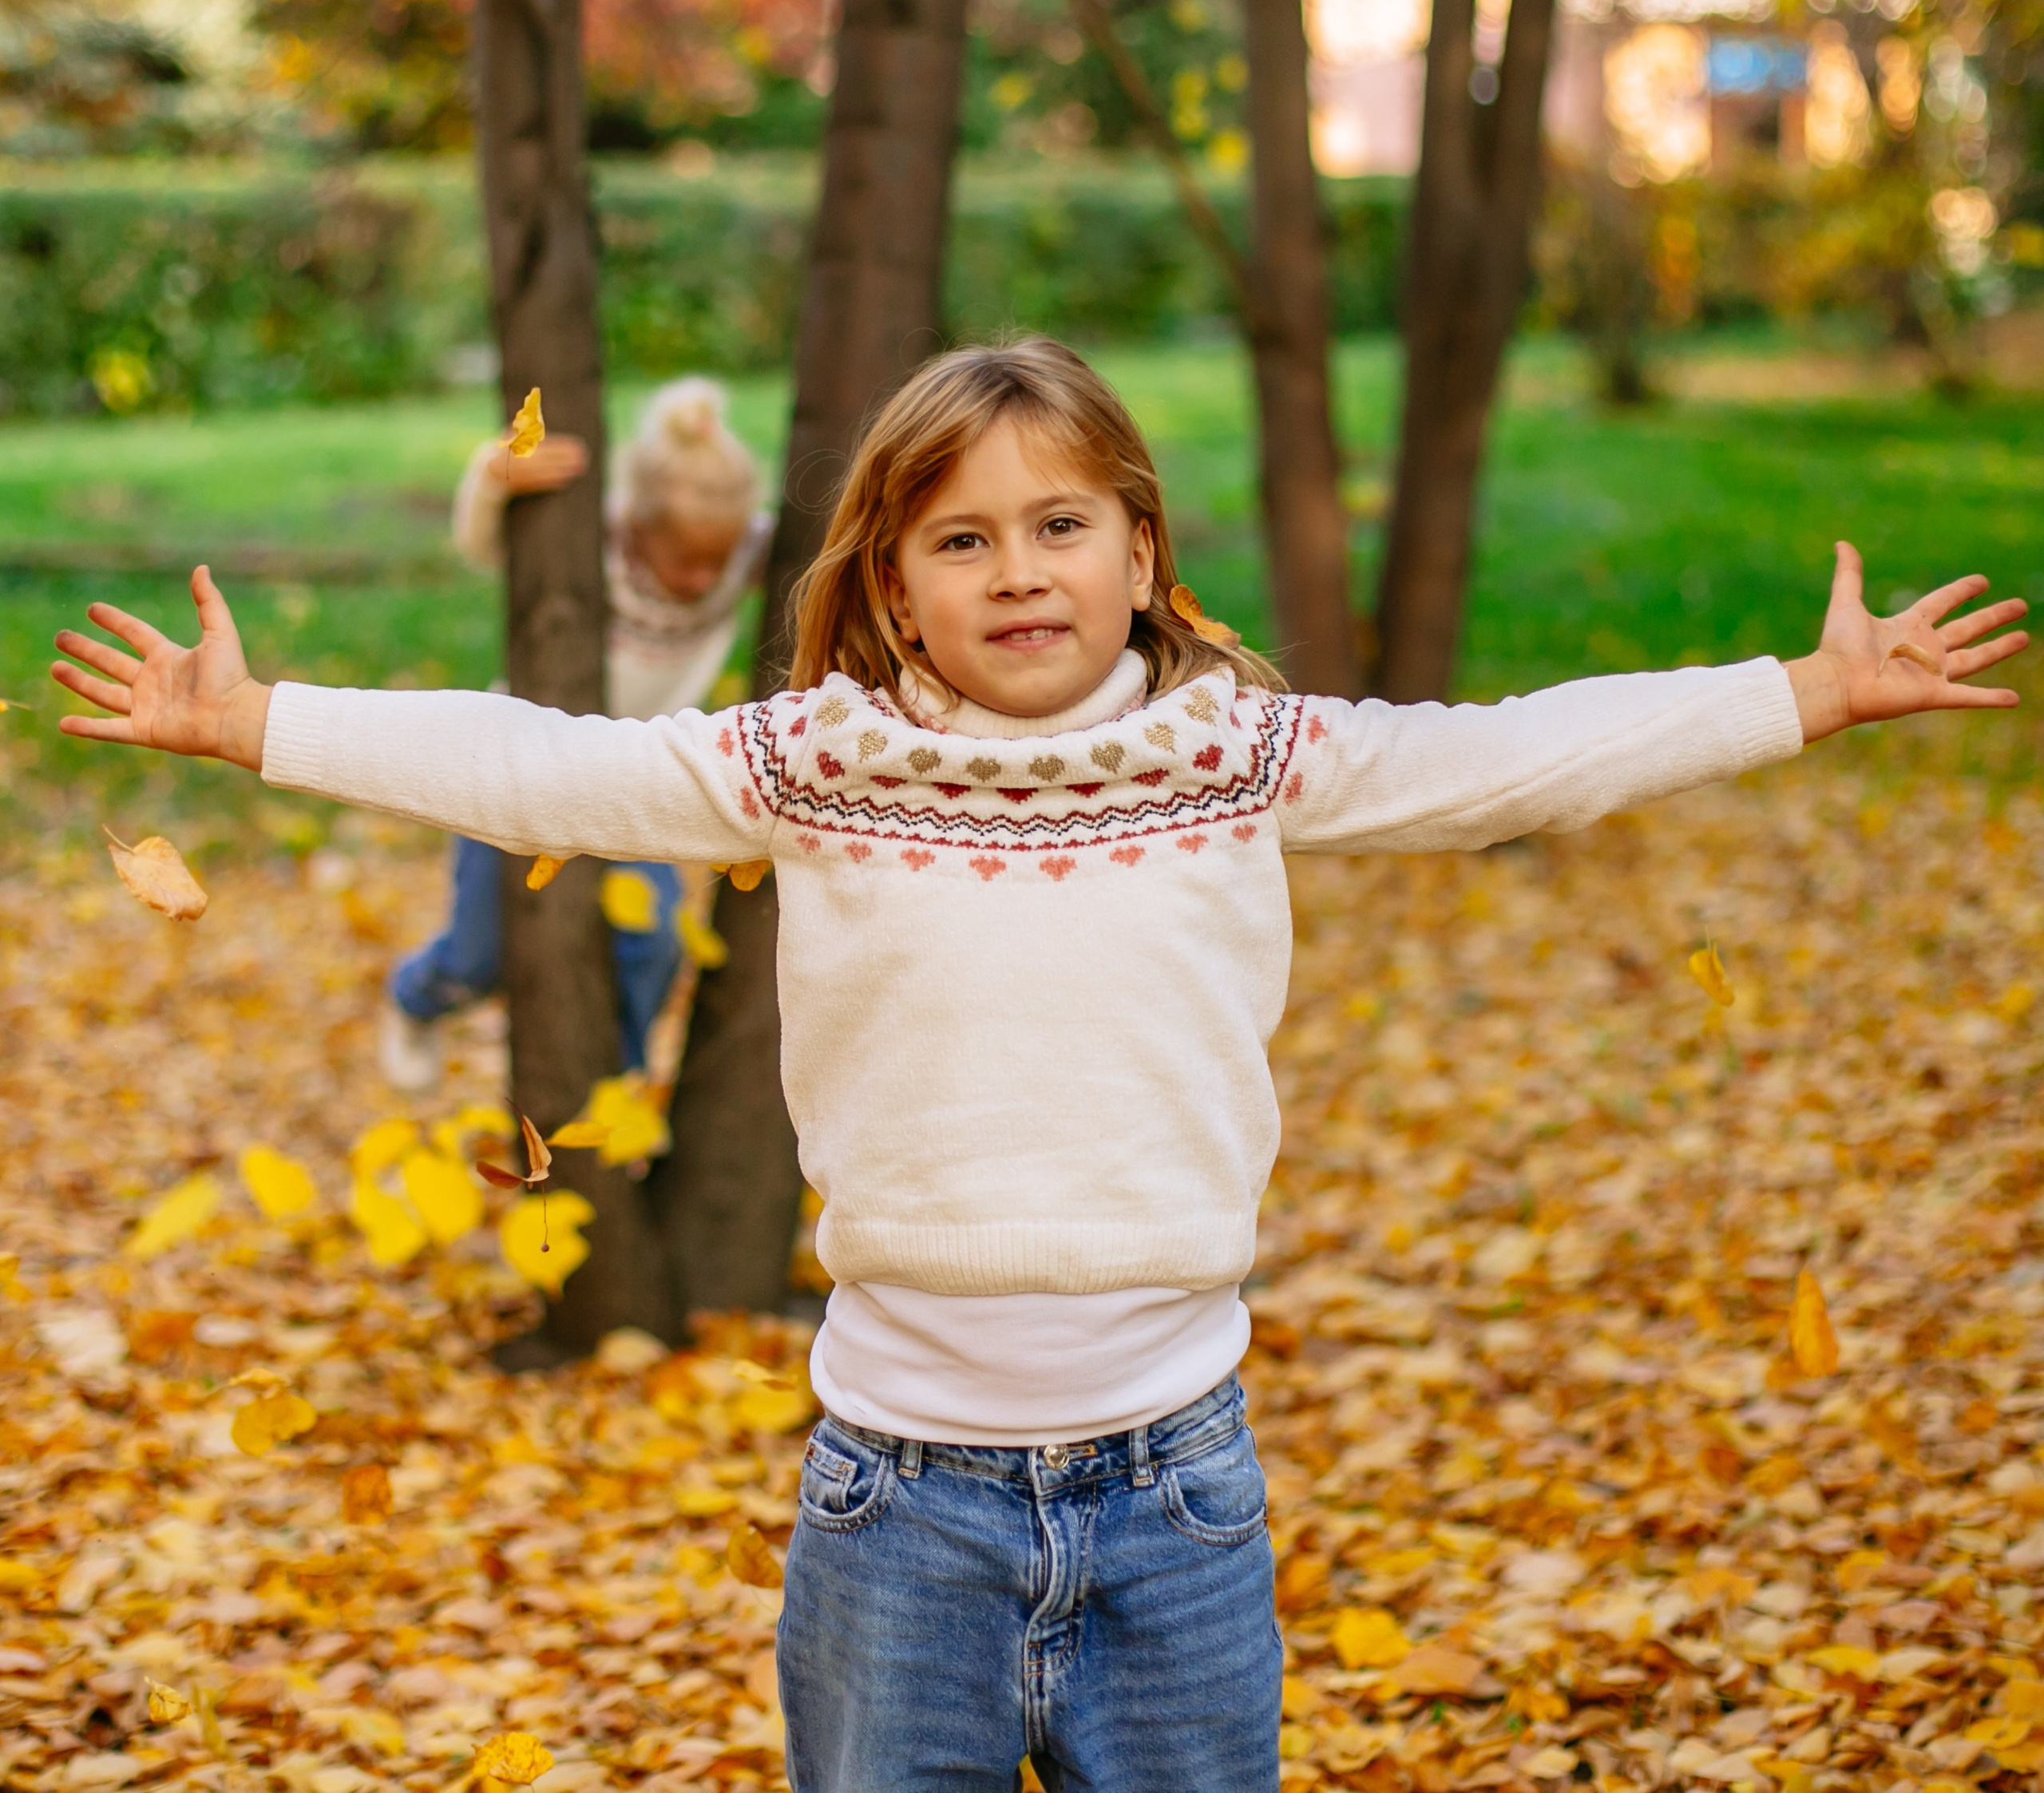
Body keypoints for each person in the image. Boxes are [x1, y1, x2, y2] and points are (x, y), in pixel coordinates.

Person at [50, 338, 2026, 1792]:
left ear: (1139, 543)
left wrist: (1795, 691)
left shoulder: (1239, 752)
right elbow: (543, 761)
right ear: (892, 576)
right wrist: (264, 725)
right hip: (893, 1497)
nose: (1016, 570)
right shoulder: (817, 762)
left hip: (1177, 1481)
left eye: (1060, 524)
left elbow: (1502, 755)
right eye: (961, 536)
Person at [379, 377, 770, 1090]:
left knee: (652, 945)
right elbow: (482, 541)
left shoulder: (742, 550)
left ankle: (614, 1076)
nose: (702, 577)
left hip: (634, 776)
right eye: (684, 558)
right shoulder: (601, 539)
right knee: (478, 955)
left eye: (717, 561)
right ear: (639, 523)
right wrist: (492, 477)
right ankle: (414, 997)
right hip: (513, 759)